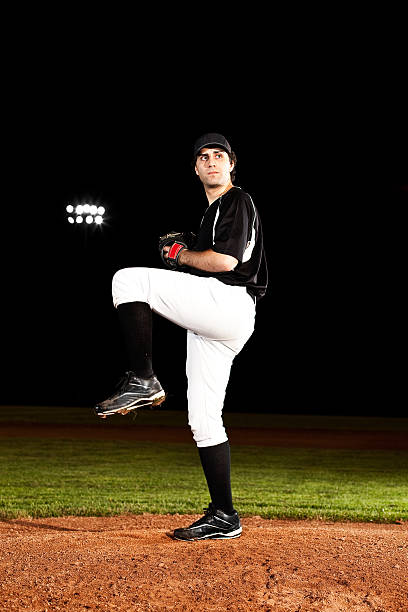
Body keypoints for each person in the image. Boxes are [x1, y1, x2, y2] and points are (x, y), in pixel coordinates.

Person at [95, 133, 268, 540]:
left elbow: (225, 260)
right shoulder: (211, 216)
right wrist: (189, 250)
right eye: (203, 157)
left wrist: (179, 256)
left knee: (129, 280)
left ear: (232, 164)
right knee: (204, 419)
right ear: (195, 168)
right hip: (219, 320)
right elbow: (206, 258)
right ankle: (225, 515)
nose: (211, 162)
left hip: (228, 303)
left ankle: (142, 377)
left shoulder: (236, 200)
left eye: (219, 156)